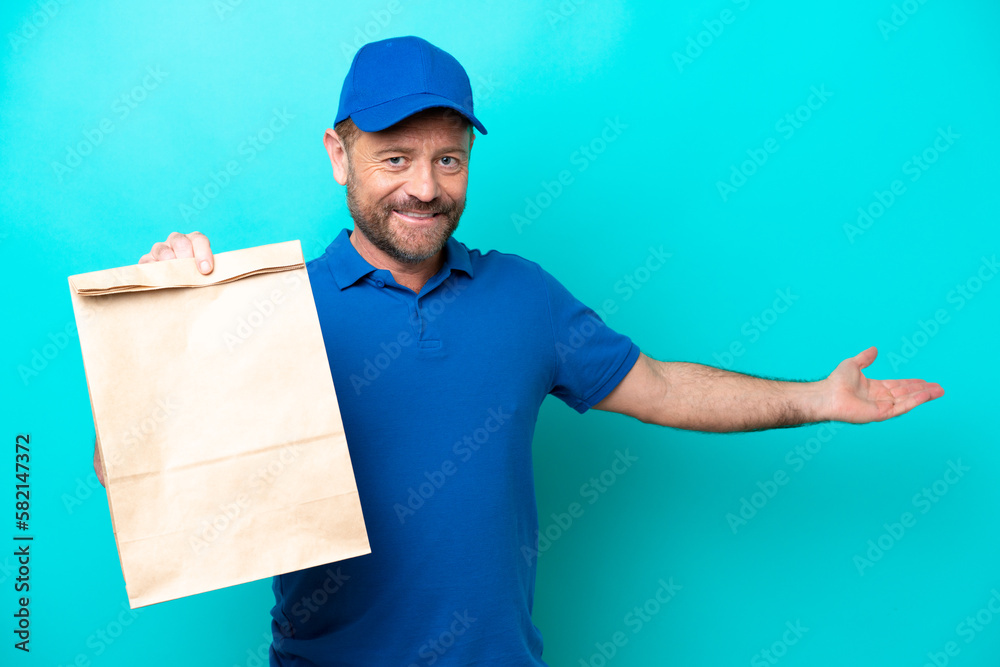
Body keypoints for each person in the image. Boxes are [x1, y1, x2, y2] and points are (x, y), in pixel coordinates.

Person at [94, 36, 944, 666]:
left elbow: (658, 384)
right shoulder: (273, 308)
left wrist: (815, 398)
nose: (425, 187)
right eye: (394, 157)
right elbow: (123, 469)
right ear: (337, 153)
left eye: (448, 159)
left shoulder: (524, 296)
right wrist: (171, 327)